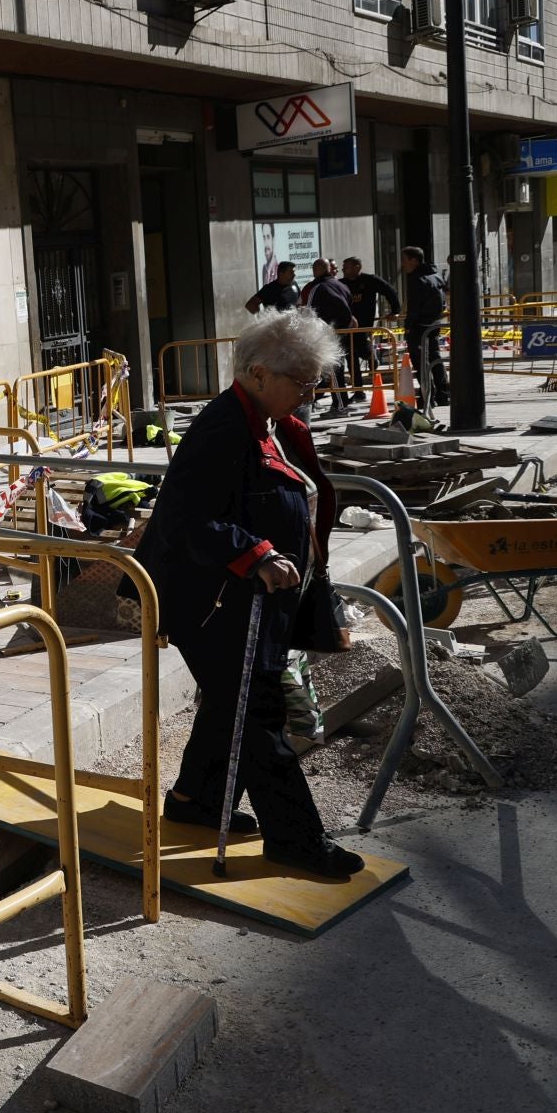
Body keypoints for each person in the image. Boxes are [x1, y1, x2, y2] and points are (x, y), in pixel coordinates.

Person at [132, 309, 365, 879]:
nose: (311, 394)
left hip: (248, 599)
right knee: (258, 711)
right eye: (303, 382)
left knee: (229, 704)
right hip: (211, 602)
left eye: (316, 382)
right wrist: (254, 552)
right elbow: (184, 519)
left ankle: (196, 800)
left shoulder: (268, 420)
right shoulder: (223, 428)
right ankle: (295, 840)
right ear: (259, 373)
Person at [340, 257, 402, 398]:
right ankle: (358, 390)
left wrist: (395, 311)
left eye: (346, 267)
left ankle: (370, 356)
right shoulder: (342, 283)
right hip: (347, 327)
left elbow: (390, 291)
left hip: (364, 325)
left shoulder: (370, 280)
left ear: (357, 267)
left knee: (362, 351)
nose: (343, 270)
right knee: (351, 357)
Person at [399, 246, 453, 407]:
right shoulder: (435, 276)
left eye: (404, 260)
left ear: (414, 260)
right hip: (434, 324)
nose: (403, 264)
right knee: (435, 358)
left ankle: (427, 396)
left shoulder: (418, 280)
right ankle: (443, 394)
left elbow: (414, 308)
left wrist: (408, 327)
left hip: (419, 327)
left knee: (421, 363)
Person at [302, 260, 354, 416]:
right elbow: (350, 307)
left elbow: (309, 312)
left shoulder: (317, 287)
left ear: (318, 269)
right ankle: (340, 404)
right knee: (337, 369)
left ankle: (340, 407)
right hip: (342, 332)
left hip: (327, 333)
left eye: (313, 268)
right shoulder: (341, 286)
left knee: (334, 370)